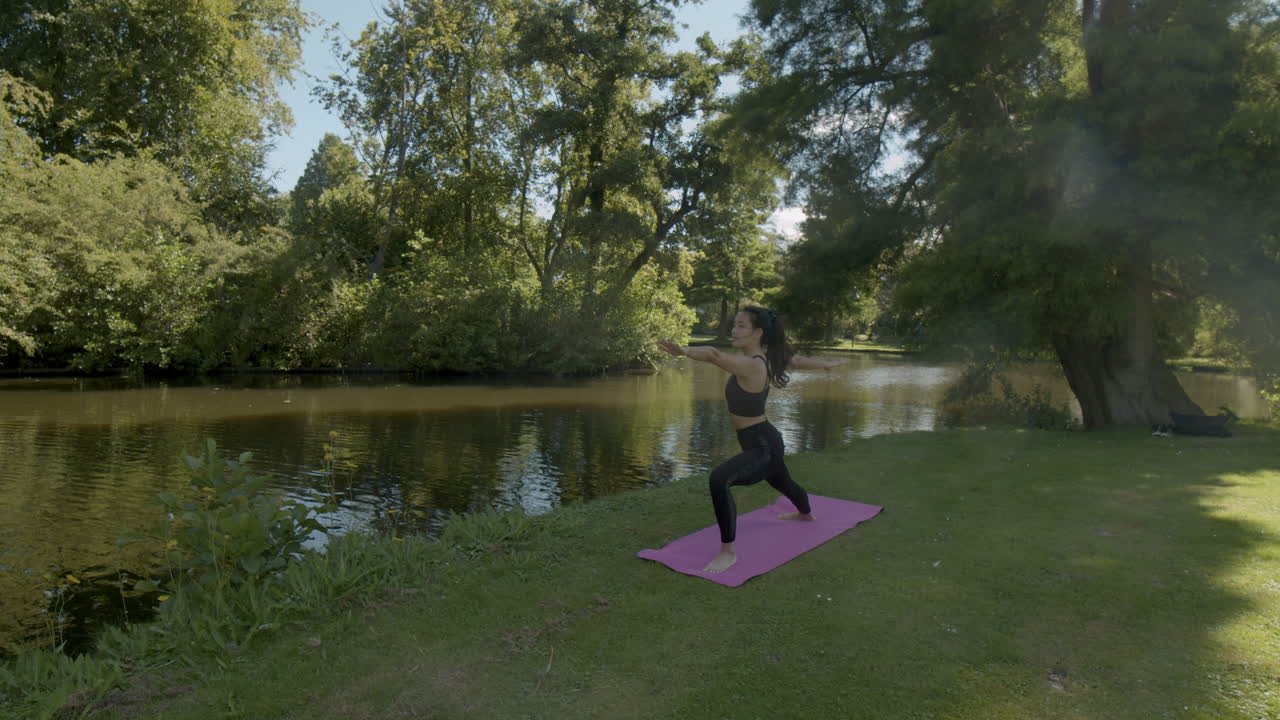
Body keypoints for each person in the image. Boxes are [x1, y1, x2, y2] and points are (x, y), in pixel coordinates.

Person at [658, 307, 847, 573]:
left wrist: (684, 351)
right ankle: (805, 513)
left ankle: (728, 552)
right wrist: (825, 365)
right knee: (783, 481)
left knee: (720, 480)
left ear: (758, 332)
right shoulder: (766, 358)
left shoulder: (752, 364)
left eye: (742, 326)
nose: (734, 330)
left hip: (762, 445)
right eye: (735, 325)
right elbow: (796, 360)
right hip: (764, 440)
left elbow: (713, 355)